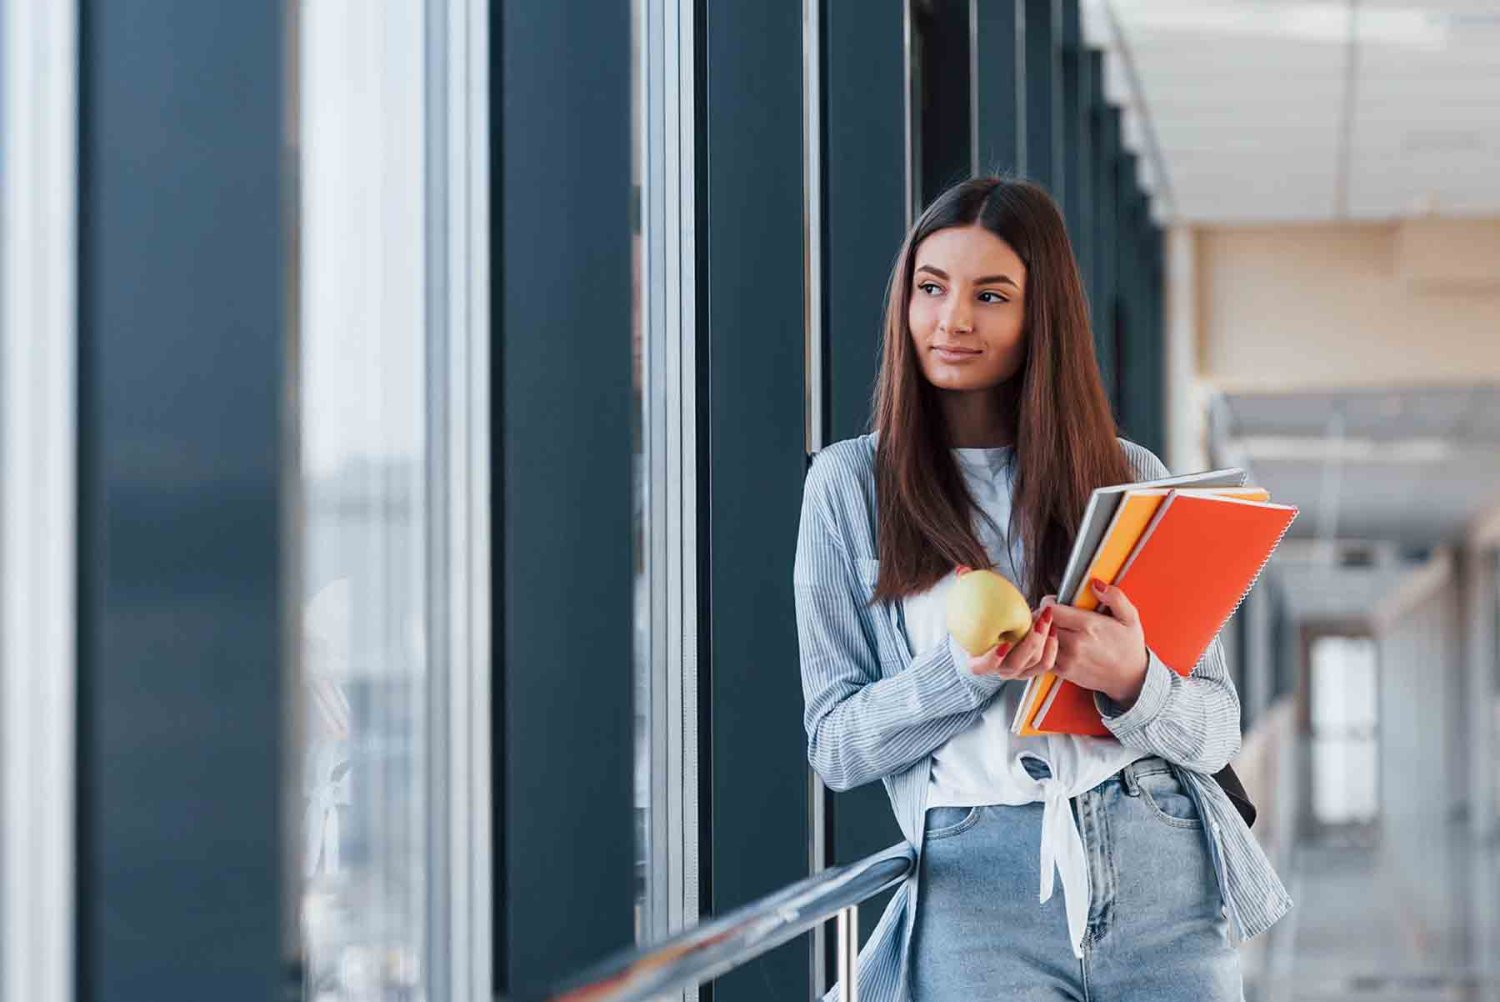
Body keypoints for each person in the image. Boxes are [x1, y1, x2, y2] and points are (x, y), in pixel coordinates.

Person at [793, 176, 1290, 1002]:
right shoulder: (851, 486)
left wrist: (1132, 681)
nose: (952, 319)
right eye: (930, 288)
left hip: (1160, 859)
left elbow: (1217, 729)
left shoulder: (1129, 476)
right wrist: (961, 675)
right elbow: (836, 747)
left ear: (1040, 317)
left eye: (990, 295)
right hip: (973, 885)